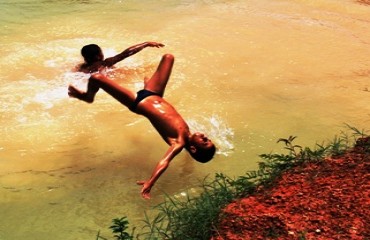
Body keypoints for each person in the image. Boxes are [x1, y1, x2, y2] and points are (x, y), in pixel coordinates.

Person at [68, 53, 216, 199]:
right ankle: (147, 85)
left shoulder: (179, 141)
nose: (204, 136)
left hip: (137, 102)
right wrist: (189, 162)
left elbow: (165, 162)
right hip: (154, 93)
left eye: (204, 141)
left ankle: (87, 97)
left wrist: (150, 182)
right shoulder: (187, 135)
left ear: (193, 148)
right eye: (208, 139)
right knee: (168, 57)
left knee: (96, 78)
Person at [77, 41, 164, 73]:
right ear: (98, 56)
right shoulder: (105, 63)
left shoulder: (82, 67)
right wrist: (146, 44)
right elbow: (126, 53)